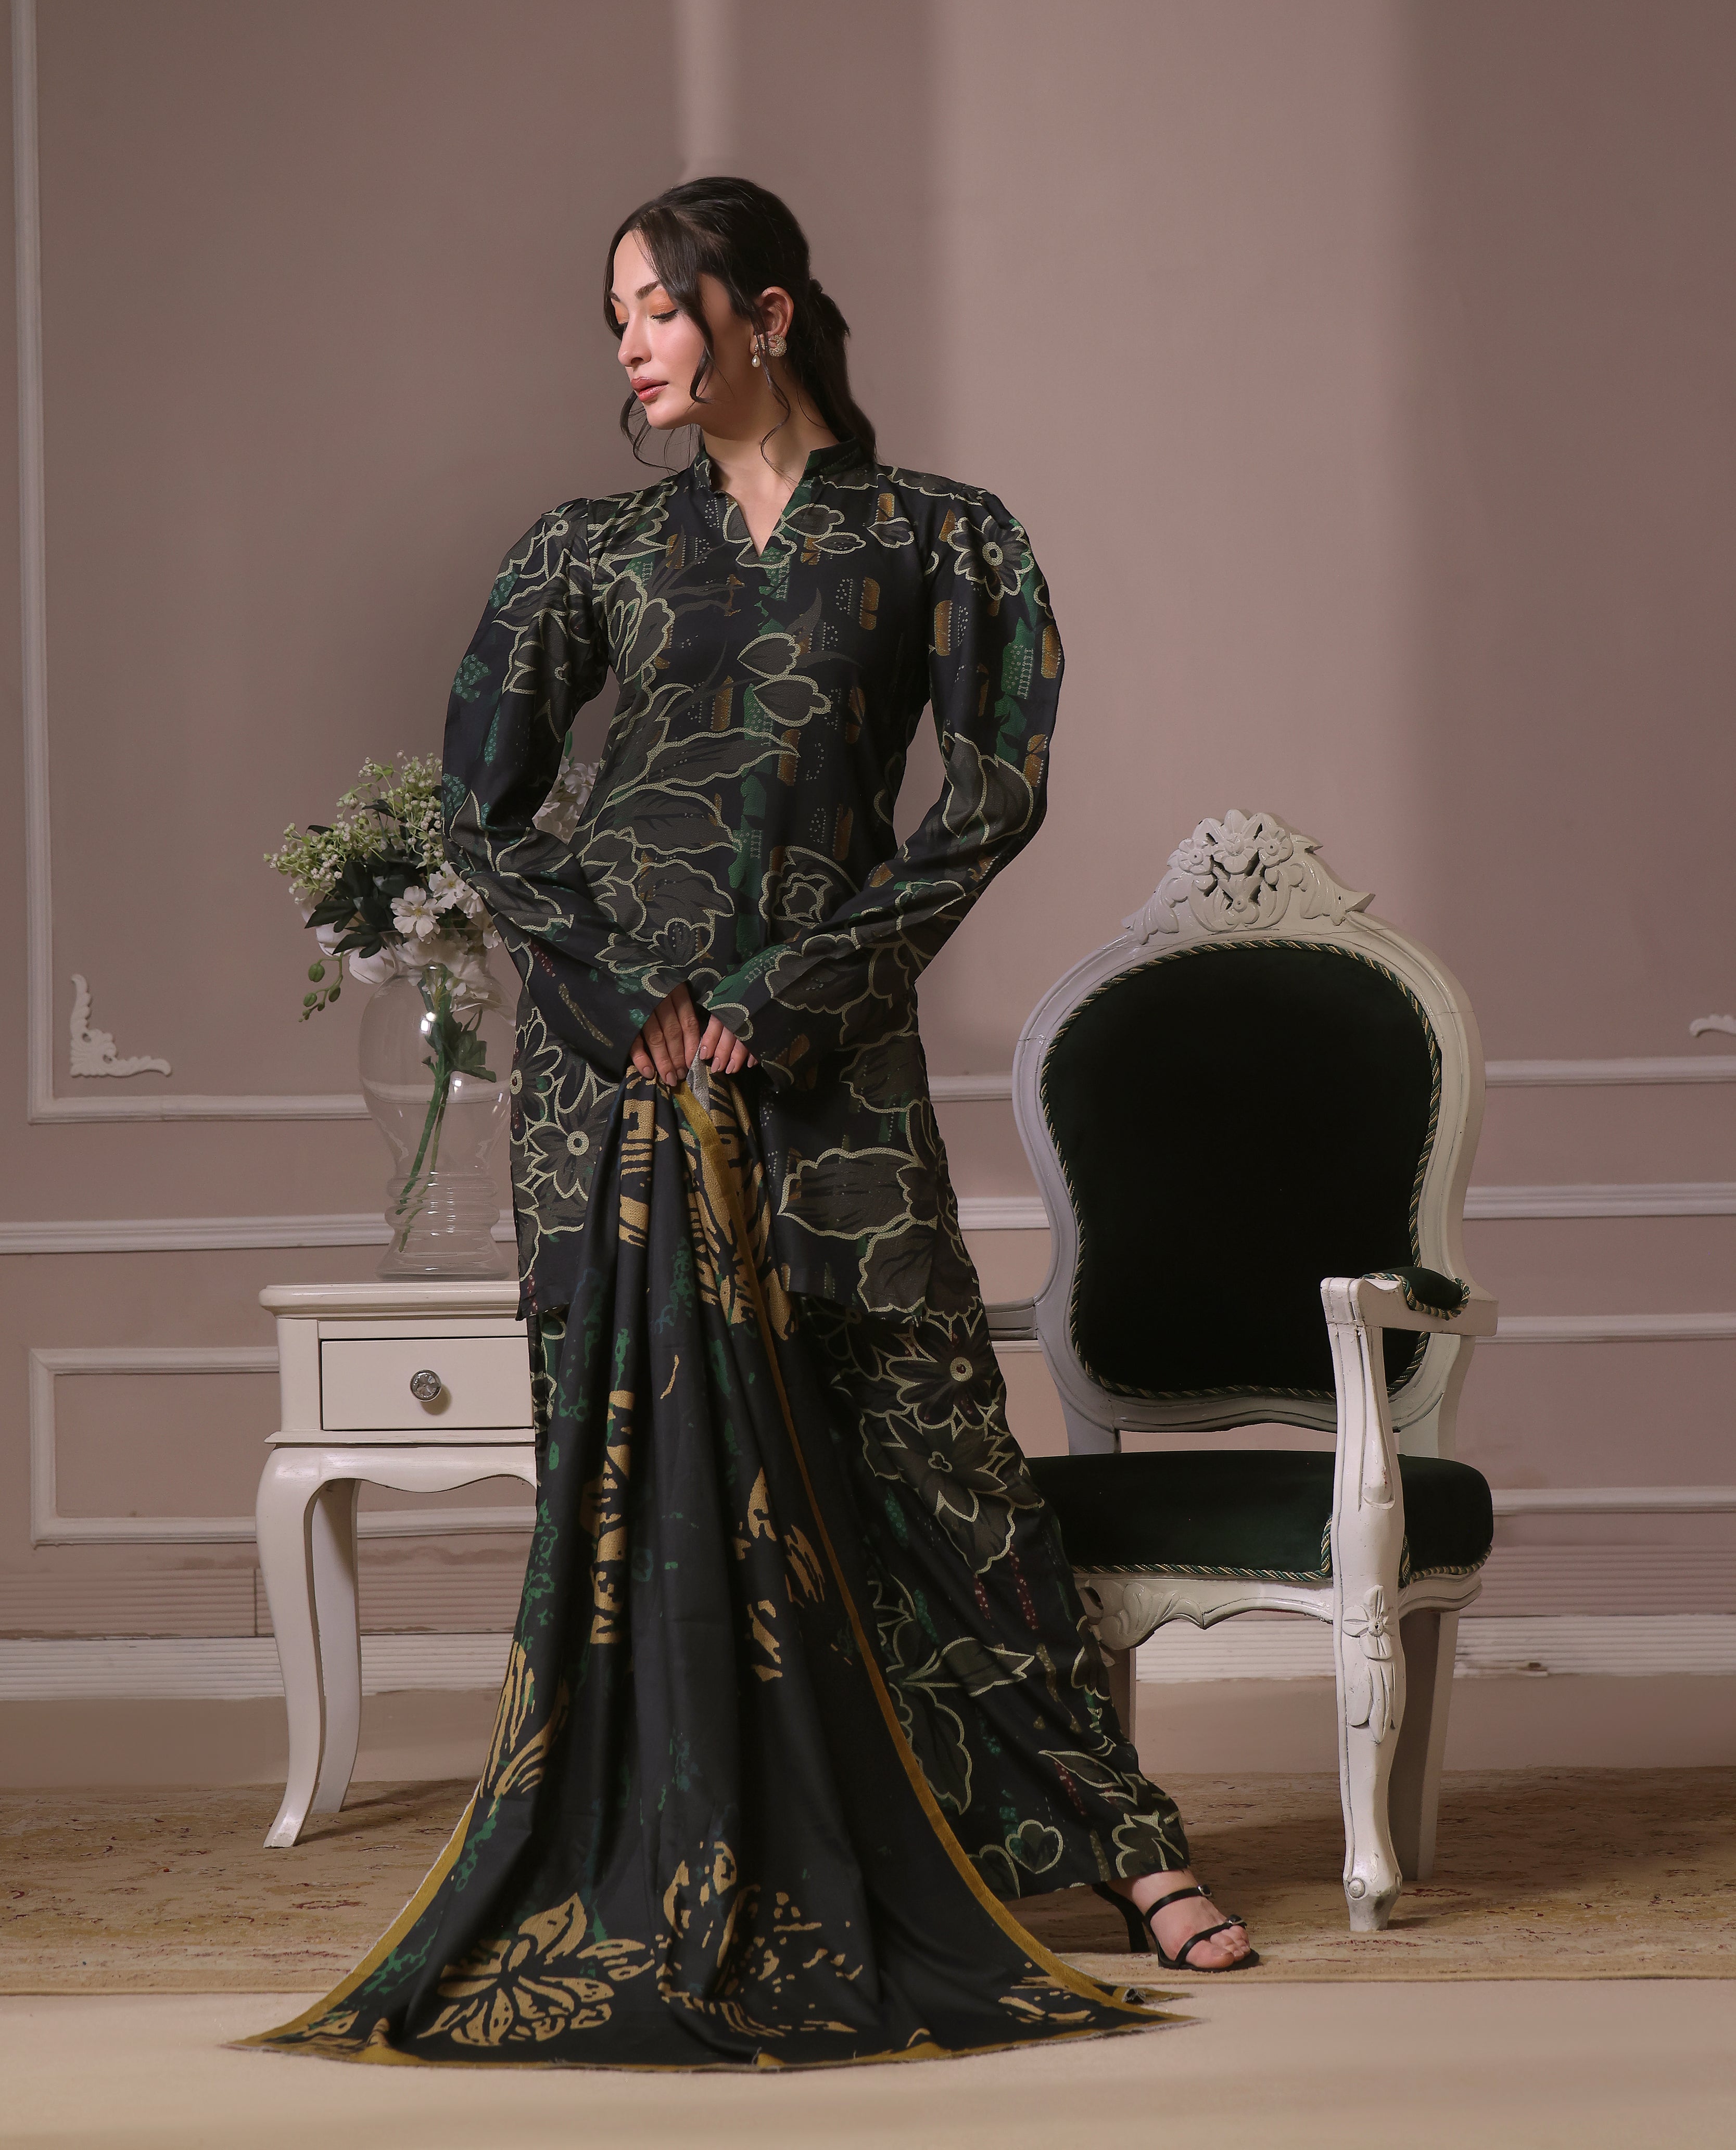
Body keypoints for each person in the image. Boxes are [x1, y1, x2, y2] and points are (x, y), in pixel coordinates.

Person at [245, 177, 1252, 2073]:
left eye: (659, 306)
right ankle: (691, 1848)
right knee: (637, 1457)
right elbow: (481, 807)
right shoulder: (590, 550)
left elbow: (993, 795)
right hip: (620, 1060)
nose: (631, 344)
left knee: (930, 1428)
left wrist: (803, 986)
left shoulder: (944, 535)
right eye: (616, 317)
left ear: (764, 313)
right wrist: (618, 991)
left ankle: (1126, 1849)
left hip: (820, 1042)